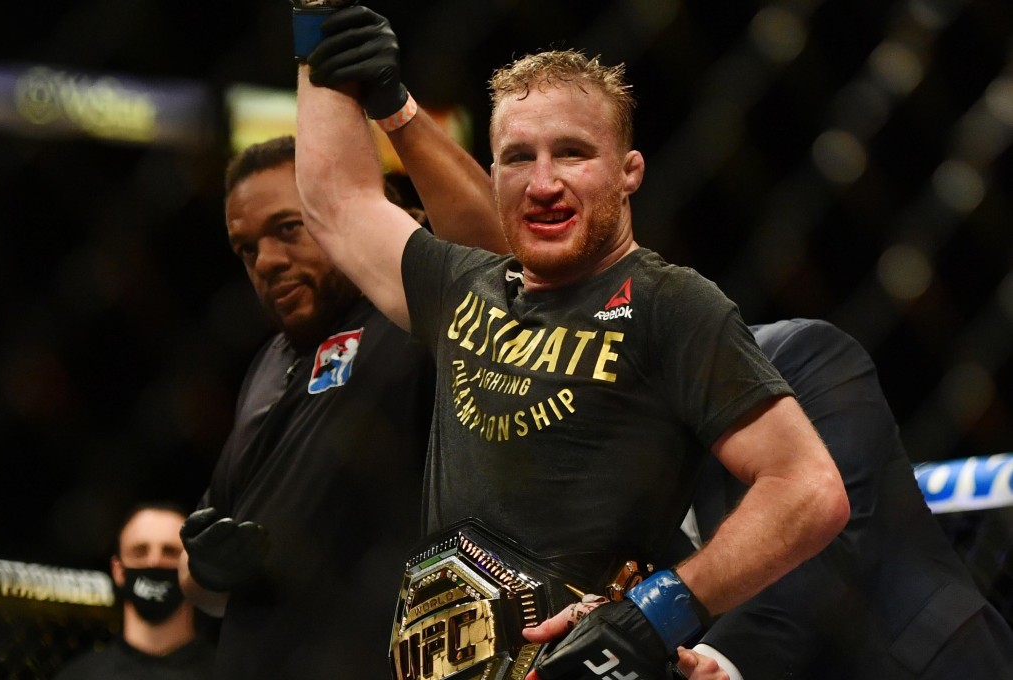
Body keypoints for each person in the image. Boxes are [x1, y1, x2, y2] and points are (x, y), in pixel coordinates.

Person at [292, 5, 850, 678]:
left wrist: (652, 617)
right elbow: (336, 199)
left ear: (629, 172)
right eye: (518, 159)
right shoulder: (463, 285)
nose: (544, 183)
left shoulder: (670, 304)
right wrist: (317, 30)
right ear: (492, 174)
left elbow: (809, 488)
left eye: (573, 154)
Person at [176, 68, 506, 679]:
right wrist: (207, 573)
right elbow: (201, 560)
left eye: (288, 229)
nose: (267, 262)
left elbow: (500, 263)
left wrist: (397, 111)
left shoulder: (407, 318)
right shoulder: (267, 365)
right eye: (246, 249)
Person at [679, 319, 1013, 680]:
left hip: (920, 662)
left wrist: (717, 659)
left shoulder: (796, 353)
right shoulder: (624, 461)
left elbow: (829, 534)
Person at [55, 503, 214, 680]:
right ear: (118, 570)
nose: (154, 562)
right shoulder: (79, 676)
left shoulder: (229, 672)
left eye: (170, 552)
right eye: (140, 552)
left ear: (191, 567)